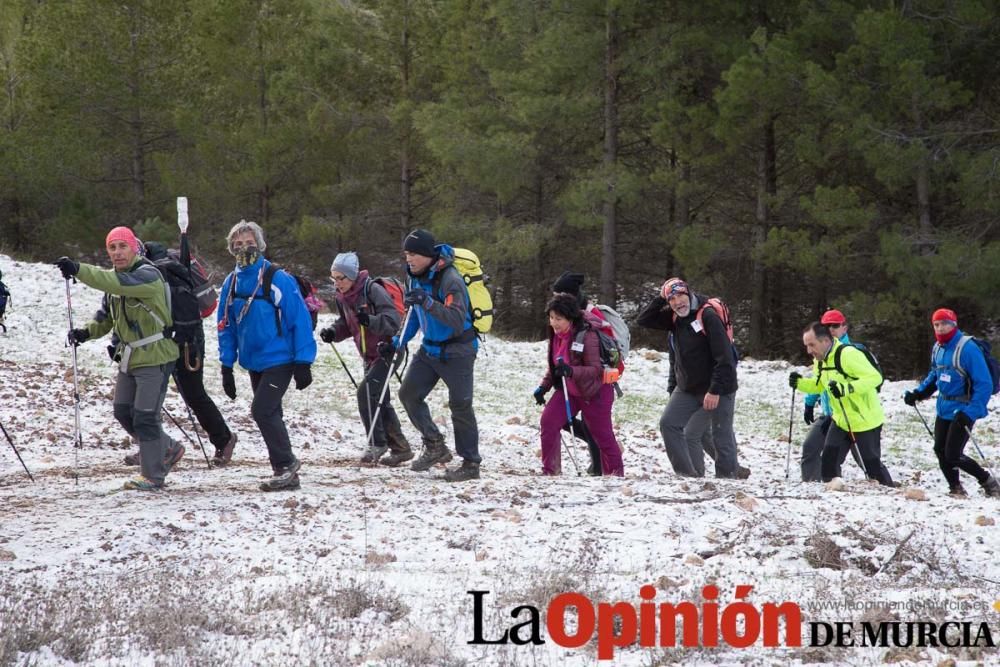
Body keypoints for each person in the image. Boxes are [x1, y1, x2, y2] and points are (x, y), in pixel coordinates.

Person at [55, 227, 185, 491]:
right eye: (112, 248)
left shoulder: (147, 276)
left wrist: (78, 269)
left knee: (146, 416)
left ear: (134, 248)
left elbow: (112, 282)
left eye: (122, 246)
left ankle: (152, 475)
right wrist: (85, 333)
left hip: (155, 356)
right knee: (123, 411)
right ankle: (169, 448)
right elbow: (106, 317)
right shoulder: (115, 282)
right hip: (129, 357)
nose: (117, 253)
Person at [217, 220, 316, 491]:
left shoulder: (277, 278)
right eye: (238, 245)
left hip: (280, 359)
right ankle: (285, 473)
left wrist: (304, 362)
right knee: (272, 412)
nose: (244, 249)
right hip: (254, 362)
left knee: (261, 411)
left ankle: (286, 464)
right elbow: (226, 325)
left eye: (249, 244)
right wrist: (226, 365)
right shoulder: (231, 282)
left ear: (260, 246)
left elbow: (299, 319)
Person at [124, 240, 237, 468]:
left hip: (186, 336)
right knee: (151, 395)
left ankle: (224, 439)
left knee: (193, 393)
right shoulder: (144, 268)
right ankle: (153, 447)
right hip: (162, 338)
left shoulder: (161, 267)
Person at [390, 228, 481, 482]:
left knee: (460, 405)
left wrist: (427, 302)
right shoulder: (412, 277)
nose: (409, 259)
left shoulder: (450, 279)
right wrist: (398, 341)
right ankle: (435, 445)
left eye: (415, 254)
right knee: (408, 394)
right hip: (429, 350)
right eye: (407, 253)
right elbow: (413, 317)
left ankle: (471, 463)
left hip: (459, 350)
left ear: (429, 255)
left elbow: (454, 319)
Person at [637, 277, 743, 478]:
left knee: (721, 436)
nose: (678, 302)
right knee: (669, 424)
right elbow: (644, 320)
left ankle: (727, 481)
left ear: (689, 293)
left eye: (681, 296)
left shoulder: (708, 316)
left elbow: (725, 359)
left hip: (719, 387)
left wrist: (714, 390)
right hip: (688, 387)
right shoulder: (675, 317)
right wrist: (660, 298)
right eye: (672, 299)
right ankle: (687, 475)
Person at [318, 252, 413, 466]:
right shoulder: (342, 296)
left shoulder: (373, 290)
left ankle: (376, 444)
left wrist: (369, 320)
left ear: (352, 276)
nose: (337, 283)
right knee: (380, 400)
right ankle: (401, 449)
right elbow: (347, 323)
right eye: (334, 278)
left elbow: (393, 322)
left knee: (366, 393)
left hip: (389, 350)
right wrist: (333, 331)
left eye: (341, 278)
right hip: (369, 354)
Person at [904, 308, 1000, 497]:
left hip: (963, 408)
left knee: (953, 454)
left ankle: (988, 482)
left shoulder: (968, 349)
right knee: (940, 450)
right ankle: (955, 488)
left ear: (954, 325)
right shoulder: (938, 348)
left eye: (945, 324)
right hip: (944, 407)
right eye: (936, 324)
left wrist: (971, 412)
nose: (940, 328)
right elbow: (936, 374)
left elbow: (984, 384)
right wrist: (919, 393)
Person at [789, 322, 895, 487]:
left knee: (871, 467)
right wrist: (800, 383)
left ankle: (890, 491)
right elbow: (819, 385)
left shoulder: (848, 354)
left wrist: (846, 388)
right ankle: (833, 498)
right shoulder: (821, 360)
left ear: (825, 341)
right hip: (840, 419)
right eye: (806, 346)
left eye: (812, 345)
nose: (809, 350)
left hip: (864, 420)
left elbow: (875, 378)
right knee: (828, 465)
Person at [533, 293, 625, 476]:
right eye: (551, 318)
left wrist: (571, 371)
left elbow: (595, 369)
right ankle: (550, 471)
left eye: (559, 319)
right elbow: (556, 365)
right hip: (571, 390)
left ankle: (616, 474)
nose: (554, 323)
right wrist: (544, 387)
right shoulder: (556, 335)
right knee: (549, 421)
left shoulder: (587, 335)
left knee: (602, 436)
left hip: (595, 392)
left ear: (570, 318)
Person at [550, 270, 609, 476]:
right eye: (555, 295)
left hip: (595, 379)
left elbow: (600, 353)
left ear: (572, 295)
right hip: (572, 378)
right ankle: (599, 458)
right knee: (565, 419)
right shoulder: (562, 314)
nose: (556, 299)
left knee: (592, 423)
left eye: (560, 295)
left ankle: (599, 466)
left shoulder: (591, 315)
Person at [799, 309, 851, 482]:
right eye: (826, 326)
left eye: (835, 326)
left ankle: (883, 486)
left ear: (845, 327)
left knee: (859, 458)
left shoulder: (849, 352)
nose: (831, 330)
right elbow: (818, 380)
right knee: (810, 448)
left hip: (848, 416)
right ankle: (811, 485)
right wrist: (809, 403)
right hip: (828, 413)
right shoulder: (819, 353)